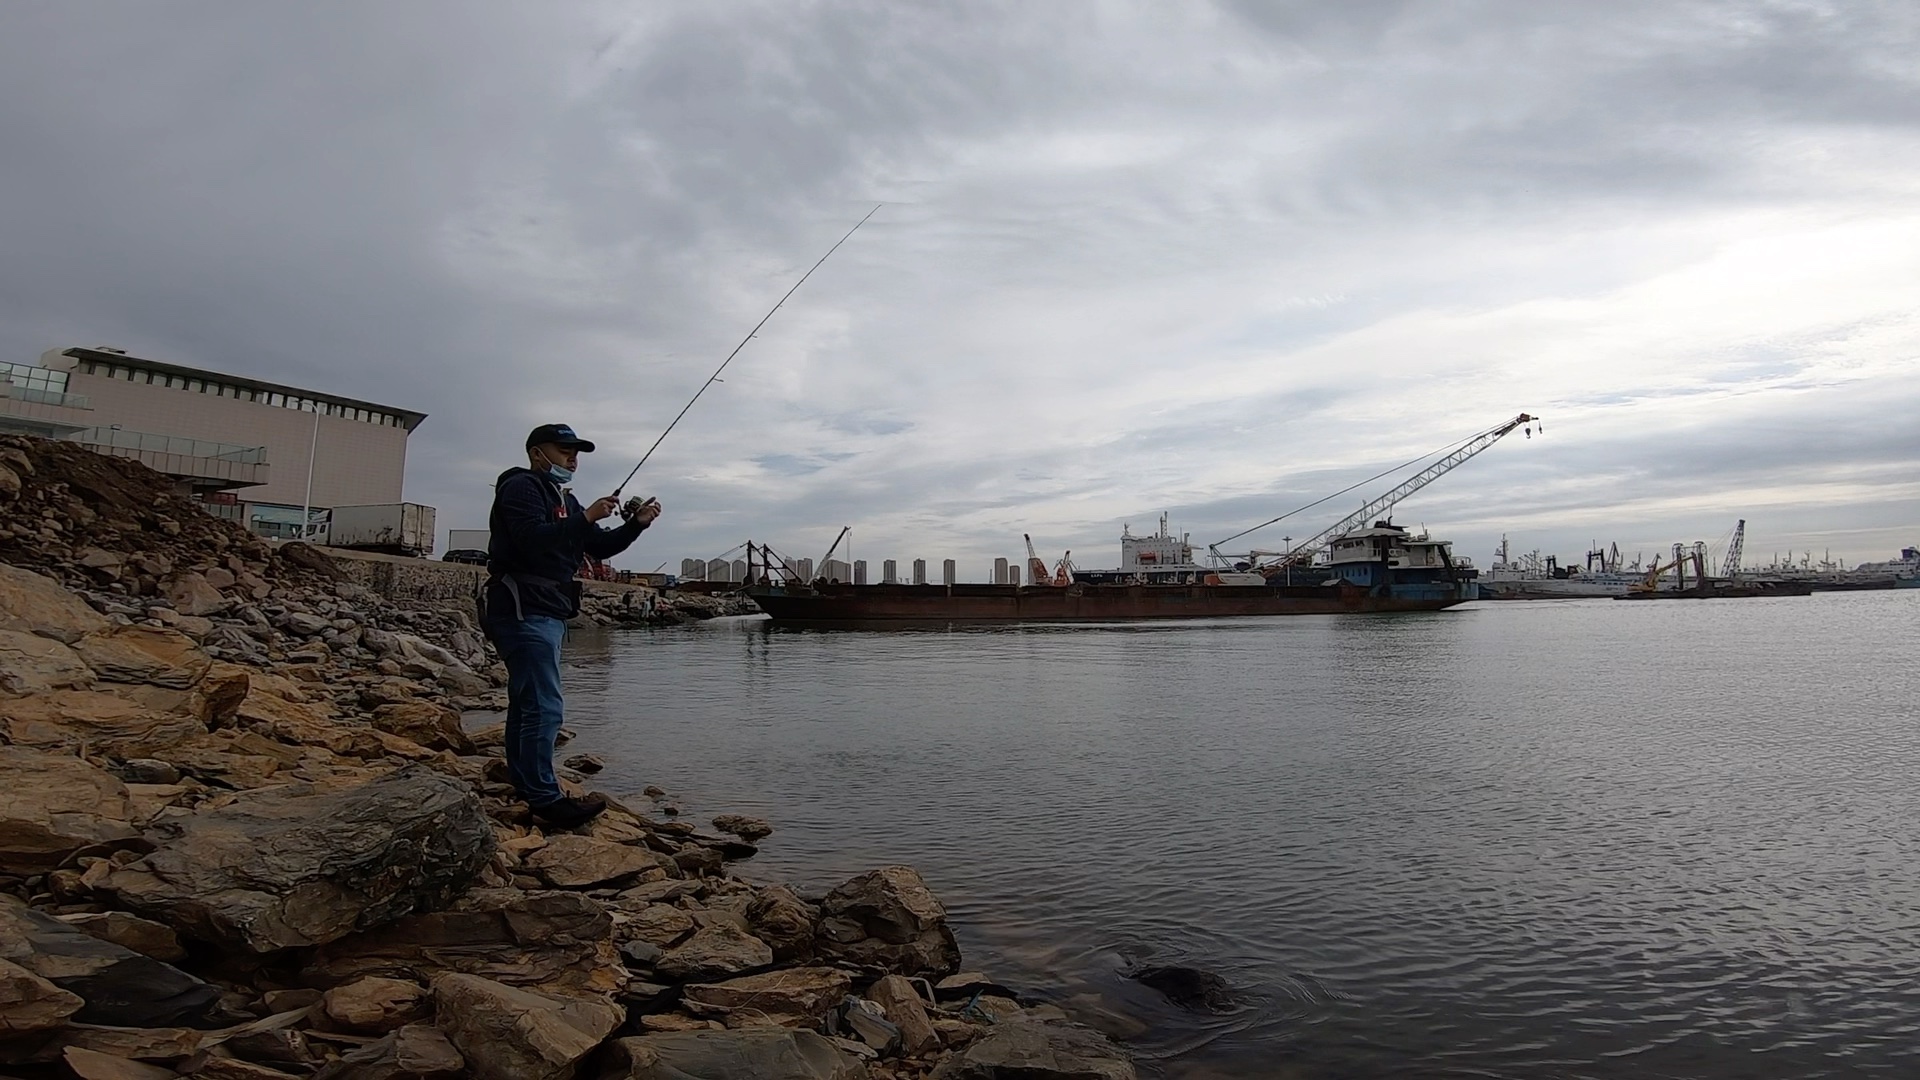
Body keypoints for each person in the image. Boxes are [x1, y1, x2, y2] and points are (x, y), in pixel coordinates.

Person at [483, 423, 662, 827]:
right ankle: (547, 800)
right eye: (563, 450)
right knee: (545, 708)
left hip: (546, 608)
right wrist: (585, 517)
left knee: (528, 703)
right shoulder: (521, 486)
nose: (572, 459)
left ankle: (526, 783)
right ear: (536, 453)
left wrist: (637, 524)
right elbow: (530, 537)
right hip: (522, 606)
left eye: (575, 452)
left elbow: (597, 546)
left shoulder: (564, 496)